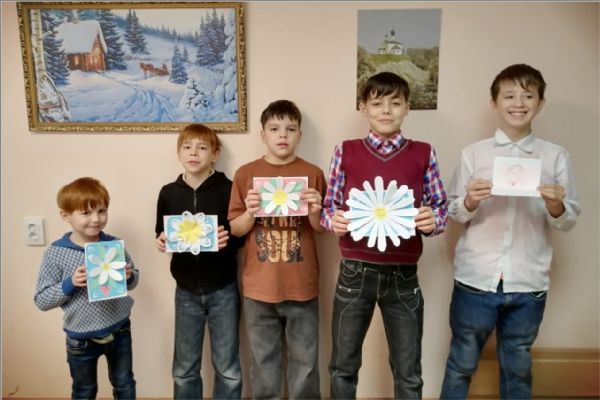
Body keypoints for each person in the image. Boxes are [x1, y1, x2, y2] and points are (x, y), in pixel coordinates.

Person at [439, 63, 581, 399]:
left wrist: (556, 204)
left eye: (528, 96)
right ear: (494, 103)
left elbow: (568, 220)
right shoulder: (474, 154)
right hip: (475, 278)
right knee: (461, 363)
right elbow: (452, 211)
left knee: (518, 368)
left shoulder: (555, 156)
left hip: (529, 281)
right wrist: (470, 200)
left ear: (540, 103)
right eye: (509, 95)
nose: (518, 103)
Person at [321, 71, 448, 399]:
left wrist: (432, 220)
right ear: (364, 108)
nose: (386, 110)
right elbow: (328, 207)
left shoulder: (424, 152)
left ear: (407, 108)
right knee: (343, 366)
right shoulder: (345, 151)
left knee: (408, 371)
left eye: (395, 103)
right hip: (354, 272)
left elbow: (440, 208)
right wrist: (333, 220)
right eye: (377, 103)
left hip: (404, 275)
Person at [228, 99, 325, 399]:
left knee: (305, 363)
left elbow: (321, 228)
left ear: (300, 135)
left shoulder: (313, 173)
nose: (282, 135)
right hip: (259, 288)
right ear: (263, 135)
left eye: (290, 129)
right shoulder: (245, 174)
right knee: (263, 362)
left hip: (302, 286)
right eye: (274, 129)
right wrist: (250, 212)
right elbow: (235, 229)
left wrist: (315, 210)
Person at [155, 123, 242, 399]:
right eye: (187, 147)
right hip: (186, 291)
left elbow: (241, 234)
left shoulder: (229, 189)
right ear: (179, 153)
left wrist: (229, 238)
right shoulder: (168, 193)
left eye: (202, 147)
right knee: (184, 368)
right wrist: (161, 240)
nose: (194, 153)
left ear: (215, 154)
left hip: (223, 289)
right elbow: (161, 231)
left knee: (227, 367)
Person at [34, 177, 140, 400]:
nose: (96, 219)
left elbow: (133, 281)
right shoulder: (55, 253)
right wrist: (70, 283)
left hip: (119, 329)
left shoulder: (113, 245)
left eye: (102, 211)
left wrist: (129, 276)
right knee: (84, 391)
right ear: (65, 215)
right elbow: (41, 300)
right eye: (86, 213)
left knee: (124, 384)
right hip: (80, 339)